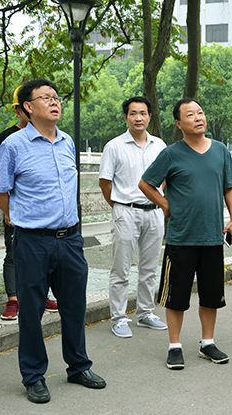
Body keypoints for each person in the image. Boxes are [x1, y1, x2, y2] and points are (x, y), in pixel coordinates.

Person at [0, 79, 106, 404]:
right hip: (33, 242)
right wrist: (18, 217)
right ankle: (33, 376)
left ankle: (79, 366)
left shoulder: (67, 141)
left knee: (74, 306)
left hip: (70, 240)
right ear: (28, 107)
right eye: (46, 98)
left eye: (56, 97)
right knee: (31, 311)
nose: (55, 102)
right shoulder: (13, 145)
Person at [139, 98, 232, 371]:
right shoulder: (171, 154)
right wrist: (165, 205)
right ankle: (175, 346)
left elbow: (229, 187)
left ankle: (208, 343)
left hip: (212, 237)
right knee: (176, 297)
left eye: (200, 112)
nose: (198, 117)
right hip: (181, 238)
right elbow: (146, 183)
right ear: (179, 123)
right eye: (190, 115)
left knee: (211, 295)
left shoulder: (220, 151)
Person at [99, 97, 168, 338]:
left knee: (150, 267)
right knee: (121, 269)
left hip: (154, 212)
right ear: (126, 117)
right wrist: (119, 205)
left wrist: (159, 201)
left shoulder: (160, 145)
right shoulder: (114, 146)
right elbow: (105, 182)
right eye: (133, 113)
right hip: (125, 211)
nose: (138, 118)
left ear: (150, 116)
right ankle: (118, 318)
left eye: (143, 113)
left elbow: (165, 178)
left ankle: (146, 313)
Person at [0, 85, 58, 321]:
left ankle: (42, 294)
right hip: (15, 208)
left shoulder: (54, 137)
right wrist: (9, 211)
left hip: (44, 218)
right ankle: (13, 299)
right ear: (22, 109)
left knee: (46, 257)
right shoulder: (8, 139)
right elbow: (0, 182)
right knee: (13, 253)